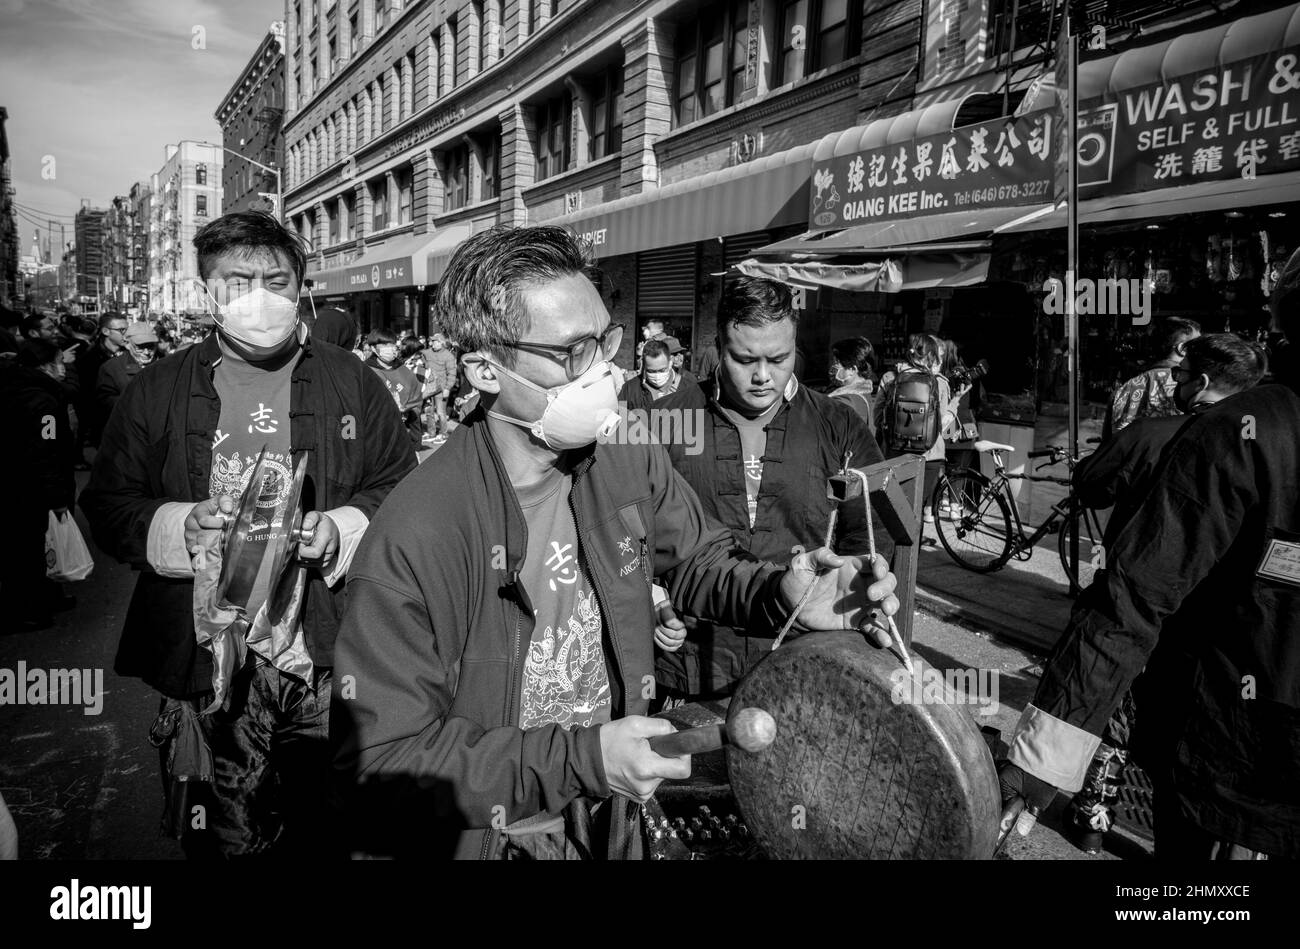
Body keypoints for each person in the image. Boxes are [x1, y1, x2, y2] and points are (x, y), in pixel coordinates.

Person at [330, 225, 900, 860]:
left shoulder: (623, 448)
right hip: (497, 836)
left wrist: (781, 591)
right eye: (573, 353)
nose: (606, 371)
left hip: (615, 818)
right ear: (484, 369)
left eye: (605, 342)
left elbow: (699, 559)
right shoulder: (418, 529)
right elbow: (383, 760)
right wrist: (584, 759)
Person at [79, 210, 416, 859]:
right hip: (206, 657)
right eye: (238, 281)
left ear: (302, 287)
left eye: (277, 279)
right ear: (207, 291)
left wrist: (341, 529)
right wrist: (177, 526)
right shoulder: (159, 389)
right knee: (224, 831)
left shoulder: (352, 382)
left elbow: (398, 483)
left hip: (321, 652)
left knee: (325, 825)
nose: (260, 297)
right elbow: (109, 502)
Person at [999, 294, 1300, 859]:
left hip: (1223, 750)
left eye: (1183, 375)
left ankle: (1092, 815)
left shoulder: (1230, 432)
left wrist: (1040, 762)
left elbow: (1132, 599)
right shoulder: (1234, 431)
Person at [624, 277, 885, 701]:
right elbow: (630, 533)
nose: (764, 377)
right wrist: (649, 599)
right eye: (745, 360)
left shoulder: (837, 424)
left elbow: (871, 526)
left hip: (806, 659)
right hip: (691, 664)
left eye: (779, 359)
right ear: (718, 348)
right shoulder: (662, 423)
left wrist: (856, 585)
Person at [1062, 333, 1270, 851]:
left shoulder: (1159, 435)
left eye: (1179, 376)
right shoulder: (1269, 446)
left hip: (1144, 615)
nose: (1170, 381)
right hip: (1224, 643)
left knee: (1115, 712)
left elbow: (1091, 484)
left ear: (1200, 383)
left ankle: (1093, 817)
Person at [0, 339, 78, 632]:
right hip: (30, 489)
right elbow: (46, 450)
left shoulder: (16, 388)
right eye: (59, 361)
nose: (64, 367)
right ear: (45, 365)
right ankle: (25, 610)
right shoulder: (42, 402)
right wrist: (56, 496)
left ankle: (43, 598)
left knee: (28, 549)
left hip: (17, 484)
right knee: (28, 551)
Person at [875, 334, 965, 524]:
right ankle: (913, 551)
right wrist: (955, 401)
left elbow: (877, 419)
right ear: (931, 356)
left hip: (894, 453)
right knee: (915, 512)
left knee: (894, 510)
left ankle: (889, 551)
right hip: (929, 456)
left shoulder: (890, 378)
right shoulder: (939, 383)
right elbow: (942, 425)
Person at [1104, 317, 1200, 438]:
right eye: (1198, 346)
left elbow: (1107, 447)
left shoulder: (1123, 389)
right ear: (1182, 349)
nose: (1202, 352)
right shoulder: (1195, 386)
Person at [365, 329, 425, 447]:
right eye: (385, 345)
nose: (390, 348)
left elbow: (417, 401)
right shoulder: (365, 371)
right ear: (373, 348)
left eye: (392, 344)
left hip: (405, 435)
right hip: (376, 437)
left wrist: (406, 409)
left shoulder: (405, 372)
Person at [95, 322, 157, 424]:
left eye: (151, 346)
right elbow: (105, 403)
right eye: (140, 347)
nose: (146, 352)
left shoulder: (164, 364)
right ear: (127, 344)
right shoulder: (111, 368)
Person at [827, 336, 877, 434]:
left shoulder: (844, 401)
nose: (832, 367)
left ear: (852, 370)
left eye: (836, 363)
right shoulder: (866, 395)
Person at [422, 332, 458, 442]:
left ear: (441, 342)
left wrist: (448, 388)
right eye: (432, 341)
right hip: (429, 387)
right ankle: (431, 433)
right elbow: (422, 358)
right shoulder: (427, 352)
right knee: (428, 411)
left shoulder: (448, 356)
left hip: (442, 388)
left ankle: (443, 434)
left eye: (435, 341)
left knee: (441, 412)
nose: (432, 343)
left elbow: (452, 374)